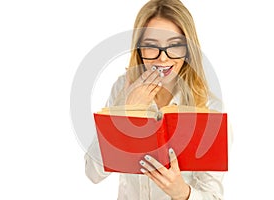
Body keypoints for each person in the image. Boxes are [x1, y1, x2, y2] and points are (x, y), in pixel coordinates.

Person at [85, 0, 226, 199]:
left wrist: (182, 193)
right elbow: (93, 173)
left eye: (174, 46)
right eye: (151, 46)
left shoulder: (207, 105)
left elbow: (213, 196)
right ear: (139, 49)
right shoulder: (122, 87)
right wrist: (125, 113)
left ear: (188, 49)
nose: (163, 59)